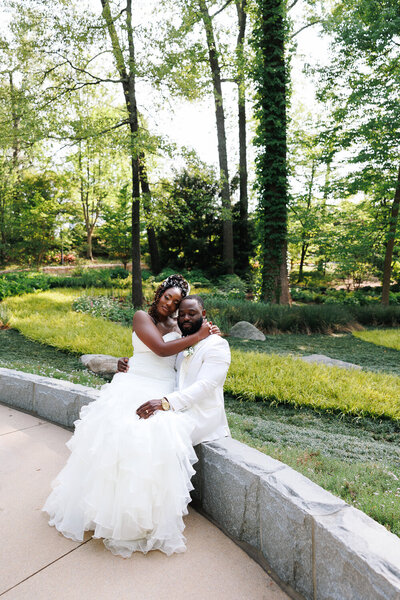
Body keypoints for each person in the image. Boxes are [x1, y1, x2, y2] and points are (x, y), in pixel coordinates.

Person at [42, 275, 229, 558]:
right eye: (168, 297)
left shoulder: (180, 326)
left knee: (148, 444)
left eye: (177, 303)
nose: (171, 305)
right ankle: (99, 511)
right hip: (134, 384)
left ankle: (140, 516)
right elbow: (159, 349)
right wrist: (199, 335)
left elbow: (182, 353)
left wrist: (204, 332)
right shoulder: (142, 316)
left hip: (163, 387)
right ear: (159, 294)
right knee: (115, 440)